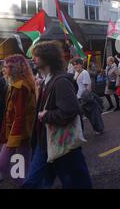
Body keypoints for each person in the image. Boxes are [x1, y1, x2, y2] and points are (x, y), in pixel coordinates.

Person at [22, 41, 92, 189]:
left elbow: (70, 111)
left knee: (76, 183)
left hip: (62, 144)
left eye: (36, 56)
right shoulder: (47, 81)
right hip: (47, 143)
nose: (33, 59)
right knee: (35, 182)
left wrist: (46, 116)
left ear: (47, 57)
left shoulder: (60, 81)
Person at [0, 55, 36, 188]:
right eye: (4, 66)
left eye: (8, 66)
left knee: (4, 165)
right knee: (20, 169)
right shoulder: (16, 85)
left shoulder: (20, 87)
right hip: (19, 133)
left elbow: (20, 116)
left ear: (17, 68)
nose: (4, 69)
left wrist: (12, 140)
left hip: (19, 134)